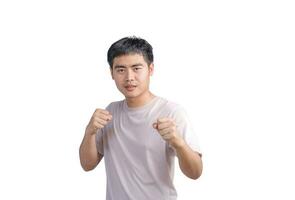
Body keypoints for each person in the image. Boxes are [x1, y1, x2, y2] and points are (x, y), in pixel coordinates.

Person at [79, 36, 203, 200]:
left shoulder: (171, 112)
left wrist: (178, 143)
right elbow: (87, 165)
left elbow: (195, 172)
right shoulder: (109, 113)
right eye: (121, 69)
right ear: (112, 73)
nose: (129, 77)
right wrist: (89, 132)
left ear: (150, 69)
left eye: (136, 68)